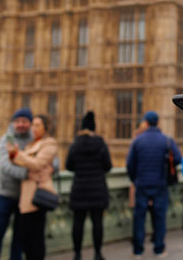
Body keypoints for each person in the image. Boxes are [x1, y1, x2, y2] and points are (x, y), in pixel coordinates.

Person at [126, 111, 182, 259]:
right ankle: (159, 249)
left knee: (139, 218)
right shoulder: (167, 140)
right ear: (158, 122)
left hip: (142, 184)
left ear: (145, 122)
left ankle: (138, 251)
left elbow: (129, 164)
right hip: (160, 184)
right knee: (159, 217)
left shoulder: (137, 141)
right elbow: (177, 158)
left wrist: (135, 179)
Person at [7, 114, 58, 260]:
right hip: (26, 196)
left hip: (38, 195)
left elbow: (37, 164)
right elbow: (24, 163)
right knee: (26, 238)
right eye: (33, 125)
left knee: (35, 238)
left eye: (37, 125)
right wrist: (14, 154)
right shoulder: (30, 144)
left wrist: (19, 155)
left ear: (45, 128)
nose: (33, 128)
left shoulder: (49, 143)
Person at [0, 107, 34, 260]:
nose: (21, 124)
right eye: (18, 121)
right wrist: (28, 173)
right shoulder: (7, 140)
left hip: (25, 197)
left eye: (24, 121)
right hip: (5, 194)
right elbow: (5, 166)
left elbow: (49, 161)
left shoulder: (35, 140)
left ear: (30, 123)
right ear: (13, 123)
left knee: (19, 239)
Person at [66, 111, 112, 260]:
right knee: (97, 223)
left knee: (77, 224)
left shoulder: (75, 143)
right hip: (97, 188)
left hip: (79, 188)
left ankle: (77, 254)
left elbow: (69, 166)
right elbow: (108, 166)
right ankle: (97, 254)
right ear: (94, 127)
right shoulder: (100, 143)